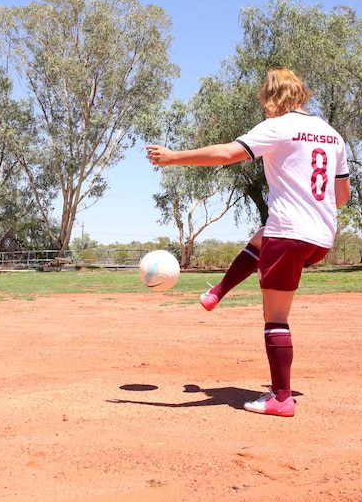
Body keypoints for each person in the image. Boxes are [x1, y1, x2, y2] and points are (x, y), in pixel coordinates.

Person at [146, 67, 350, 417]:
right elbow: (342, 195)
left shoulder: (279, 126)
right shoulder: (332, 135)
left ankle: (282, 399)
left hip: (288, 235)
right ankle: (218, 293)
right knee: (262, 235)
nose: (265, 111)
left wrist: (174, 157)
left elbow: (227, 154)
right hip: (321, 236)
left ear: (274, 99)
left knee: (276, 318)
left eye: (265, 104)